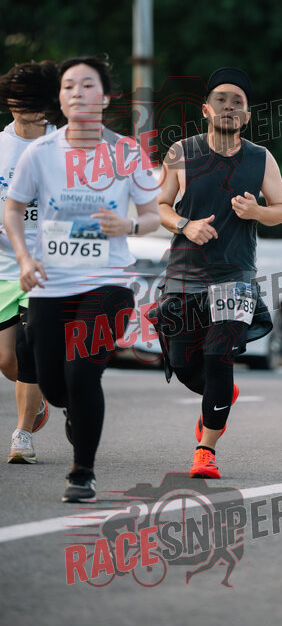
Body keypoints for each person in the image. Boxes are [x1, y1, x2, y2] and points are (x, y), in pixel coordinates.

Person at [4, 56, 160, 502]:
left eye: (87, 85)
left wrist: (128, 225)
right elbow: (13, 208)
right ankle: (70, 408)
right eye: (68, 85)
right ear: (59, 98)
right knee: (54, 385)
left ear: (105, 98)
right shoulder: (40, 152)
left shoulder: (125, 152)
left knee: (83, 371)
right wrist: (24, 258)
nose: (77, 92)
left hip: (108, 282)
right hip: (51, 283)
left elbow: (152, 214)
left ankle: (82, 472)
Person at [156, 67, 282, 479]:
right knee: (183, 364)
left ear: (247, 115)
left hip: (235, 277)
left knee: (219, 357)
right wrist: (185, 225)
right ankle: (221, 394)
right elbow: (160, 207)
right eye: (221, 100)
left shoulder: (261, 158)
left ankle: (206, 450)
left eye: (237, 102)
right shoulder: (181, 152)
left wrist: (256, 211)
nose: (228, 107)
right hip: (185, 274)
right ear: (206, 110)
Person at [0, 61, 63, 463]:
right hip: (3, 264)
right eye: (20, 99)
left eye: (35, 100)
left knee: (28, 348)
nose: (26, 107)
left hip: (47, 265)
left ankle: (22, 435)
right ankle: (40, 400)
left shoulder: (65, 147)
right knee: (6, 359)